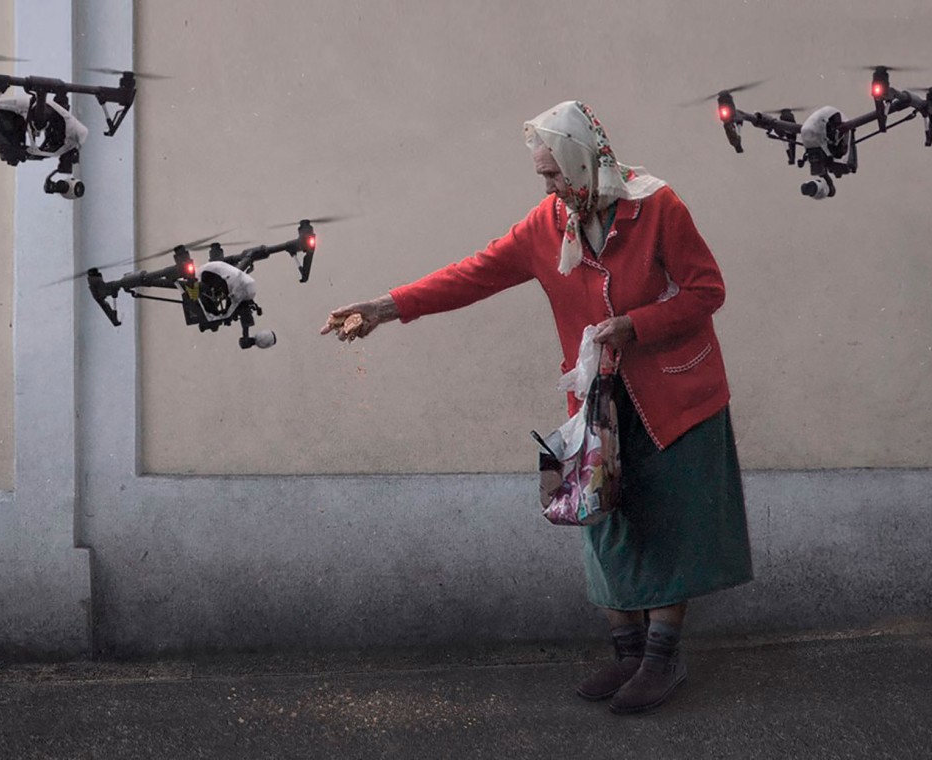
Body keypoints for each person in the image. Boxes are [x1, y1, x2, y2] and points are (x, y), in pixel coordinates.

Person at [320, 100, 753, 716]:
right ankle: (627, 653)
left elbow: (709, 291)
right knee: (601, 518)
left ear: (584, 160)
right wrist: (384, 308)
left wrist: (634, 324)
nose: (548, 186)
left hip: (673, 394)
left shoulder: (657, 207)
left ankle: (662, 658)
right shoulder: (549, 224)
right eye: (543, 176)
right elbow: (473, 274)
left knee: (664, 526)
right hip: (597, 404)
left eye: (554, 172)